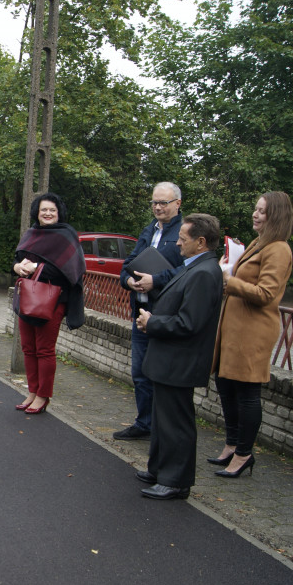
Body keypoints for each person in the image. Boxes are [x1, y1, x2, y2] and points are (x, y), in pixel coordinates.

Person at [134, 213, 224, 500]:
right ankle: (160, 468)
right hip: (169, 359)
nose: (178, 244)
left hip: (180, 360)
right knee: (163, 419)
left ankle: (176, 480)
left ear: (201, 242)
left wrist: (152, 323)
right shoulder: (193, 267)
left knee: (176, 423)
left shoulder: (204, 273)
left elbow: (189, 323)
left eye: (183, 240)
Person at [209, 192, 293, 478]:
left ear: (276, 215)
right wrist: (229, 268)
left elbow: (267, 294)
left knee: (246, 392)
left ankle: (244, 454)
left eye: (262, 211)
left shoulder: (278, 249)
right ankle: (232, 445)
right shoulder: (259, 243)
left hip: (253, 331)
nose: (255, 215)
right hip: (234, 329)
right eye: (255, 209)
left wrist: (231, 281)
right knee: (225, 384)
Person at [113, 182, 187, 440]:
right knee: (140, 373)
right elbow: (127, 265)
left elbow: (189, 270)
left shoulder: (185, 232)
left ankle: (162, 428)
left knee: (161, 374)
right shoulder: (149, 230)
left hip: (165, 313)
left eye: (163, 203)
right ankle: (145, 423)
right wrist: (130, 282)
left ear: (177, 204)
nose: (157, 207)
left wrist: (156, 280)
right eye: (154, 202)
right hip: (141, 310)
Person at [12, 192, 86, 414]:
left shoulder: (66, 235)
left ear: (58, 212)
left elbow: (69, 272)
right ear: (37, 212)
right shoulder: (31, 232)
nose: (47, 213)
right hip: (28, 299)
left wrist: (36, 268)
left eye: (52, 210)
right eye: (44, 209)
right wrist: (17, 267)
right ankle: (33, 391)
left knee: (44, 350)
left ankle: (43, 396)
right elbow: (19, 258)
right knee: (28, 348)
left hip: (53, 301)